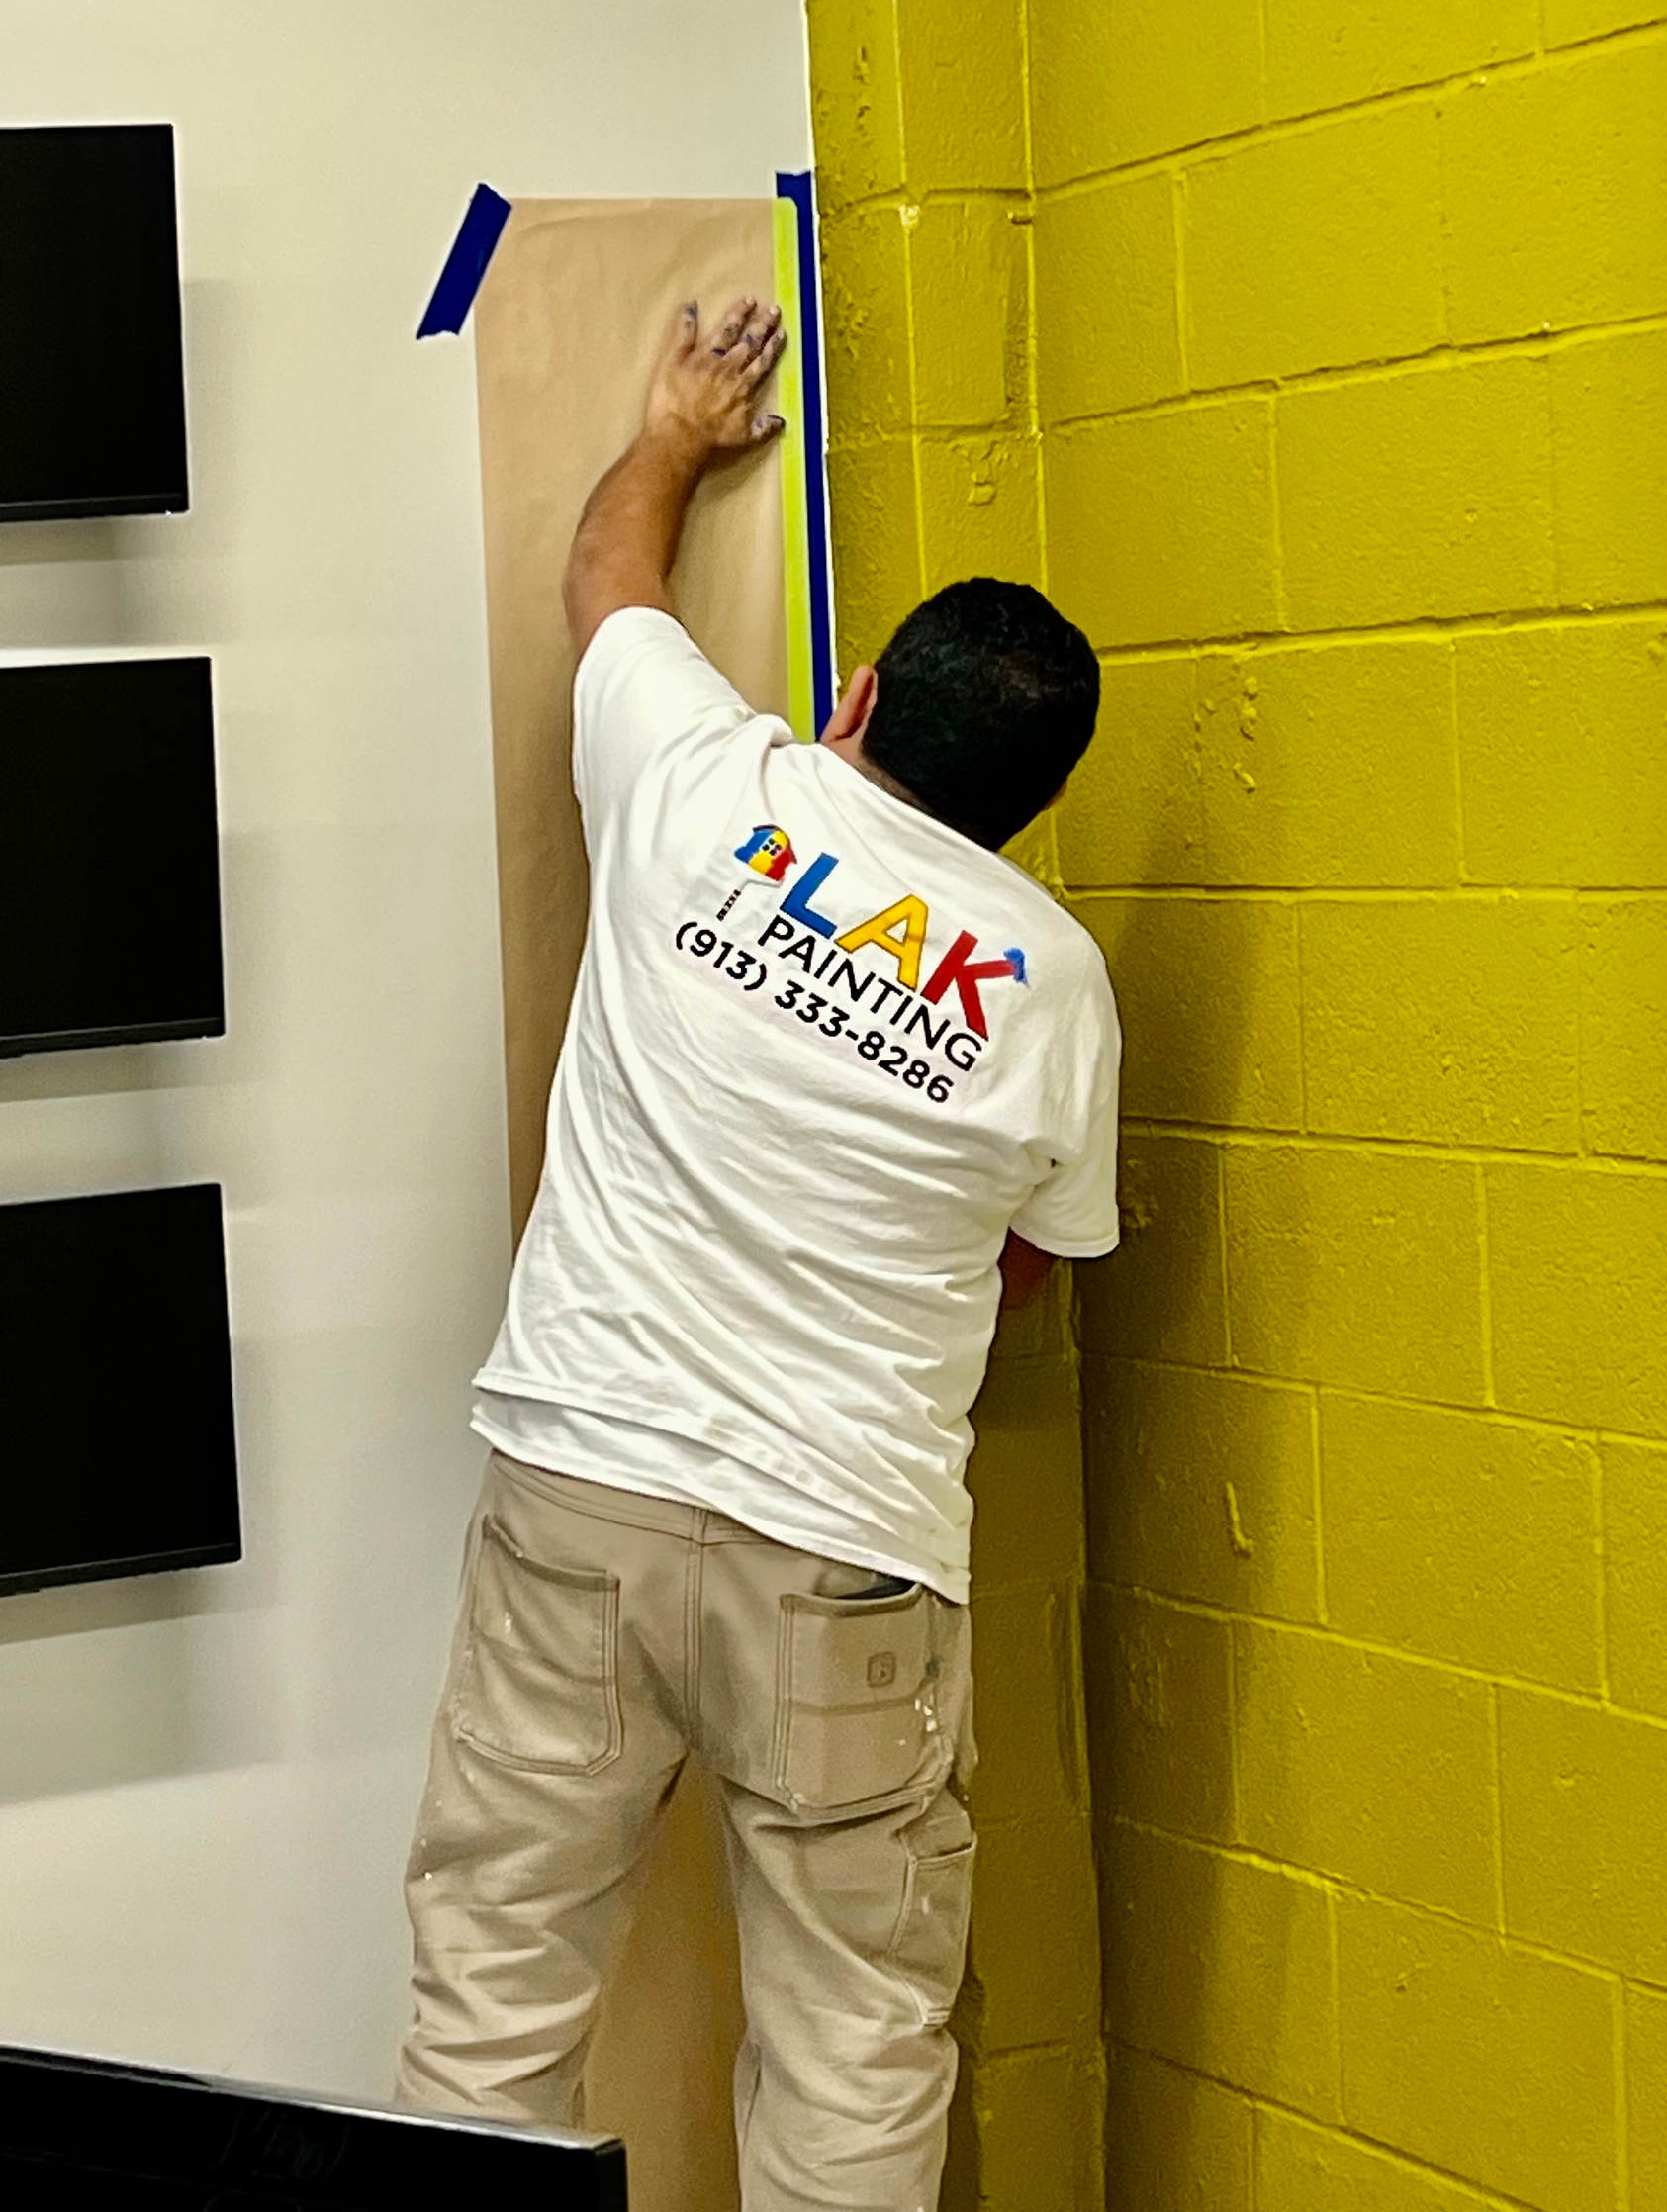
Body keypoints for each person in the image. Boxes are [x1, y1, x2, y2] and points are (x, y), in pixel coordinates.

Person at [396, 293, 1122, 2210]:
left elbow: (606, 580)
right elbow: (1029, 1269)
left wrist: (673, 430)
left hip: (588, 1495)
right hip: (848, 1557)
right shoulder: (1055, 979)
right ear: (1033, 806)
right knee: (855, 2044)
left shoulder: (706, 782)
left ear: (857, 696)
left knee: (489, 2005)